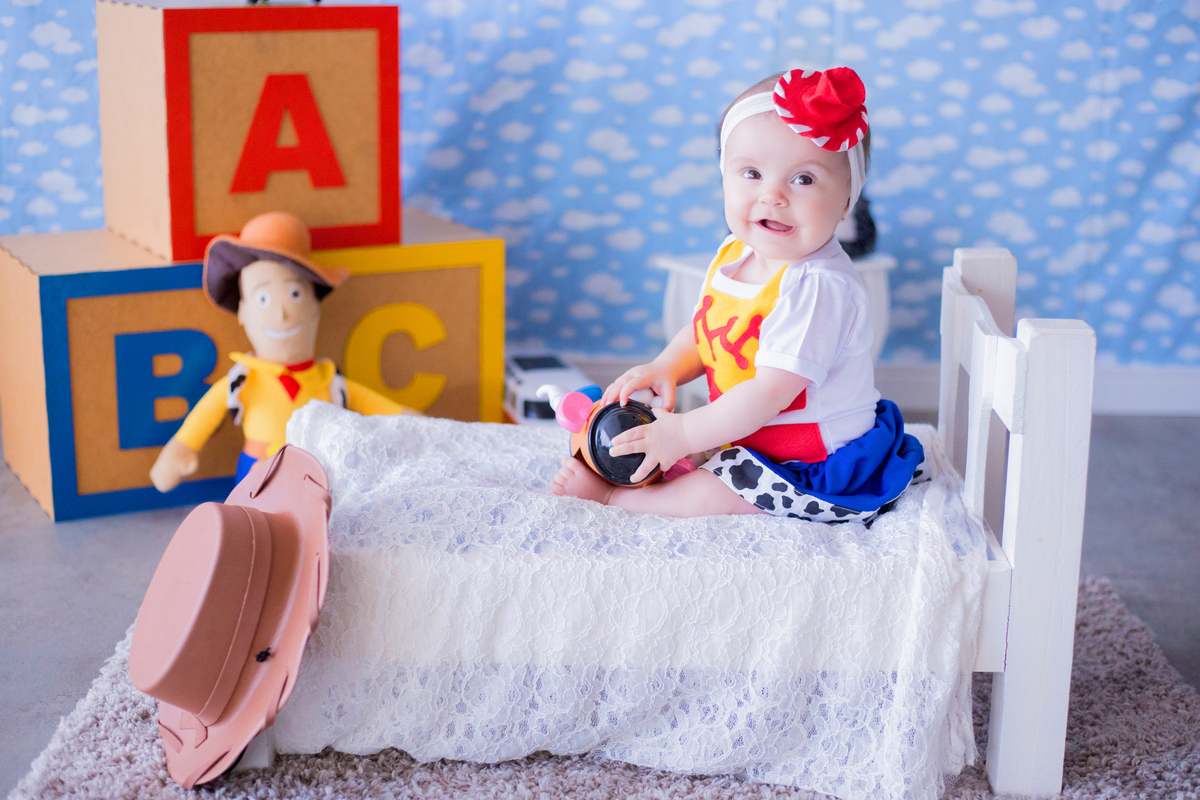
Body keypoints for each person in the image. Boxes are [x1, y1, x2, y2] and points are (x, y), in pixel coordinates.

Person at [551, 67, 923, 522]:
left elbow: (769, 393)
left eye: (803, 179)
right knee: (669, 445)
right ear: (724, 176)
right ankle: (665, 459)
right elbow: (707, 328)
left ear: (848, 199)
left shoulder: (819, 287)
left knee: (721, 492)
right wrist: (666, 366)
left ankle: (619, 501)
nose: (772, 195)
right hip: (747, 432)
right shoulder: (737, 250)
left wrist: (686, 431)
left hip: (808, 458)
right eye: (751, 173)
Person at [150, 211, 416, 493]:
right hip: (257, 474)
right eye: (263, 298)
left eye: (295, 295)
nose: (281, 313)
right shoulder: (243, 381)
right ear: (243, 311)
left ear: (315, 304)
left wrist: (418, 425)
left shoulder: (328, 381)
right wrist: (179, 451)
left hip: (319, 475)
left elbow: (377, 406)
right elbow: (203, 417)